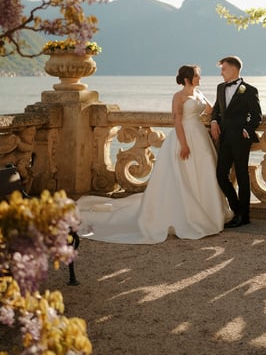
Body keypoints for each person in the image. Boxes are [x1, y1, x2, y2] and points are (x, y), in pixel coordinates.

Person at [77, 65, 231, 244]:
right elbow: (177, 122)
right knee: (183, 176)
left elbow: (211, 110)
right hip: (185, 137)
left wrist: (216, 118)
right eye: (197, 76)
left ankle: (208, 212)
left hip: (200, 137)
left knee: (203, 174)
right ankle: (188, 216)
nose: (200, 78)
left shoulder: (199, 93)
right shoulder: (179, 96)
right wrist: (184, 145)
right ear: (188, 78)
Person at [210, 56, 262, 228]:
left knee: (241, 175)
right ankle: (236, 209)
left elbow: (256, 115)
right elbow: (217, 109)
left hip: (241, 139)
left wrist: (247, 130)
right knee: (220, 174)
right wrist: (214, 121)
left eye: (223, 69)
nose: (221, 72)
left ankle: (243, 215)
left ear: (233, 69)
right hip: (224, 138)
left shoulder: (249, 90)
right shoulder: (220, 88)